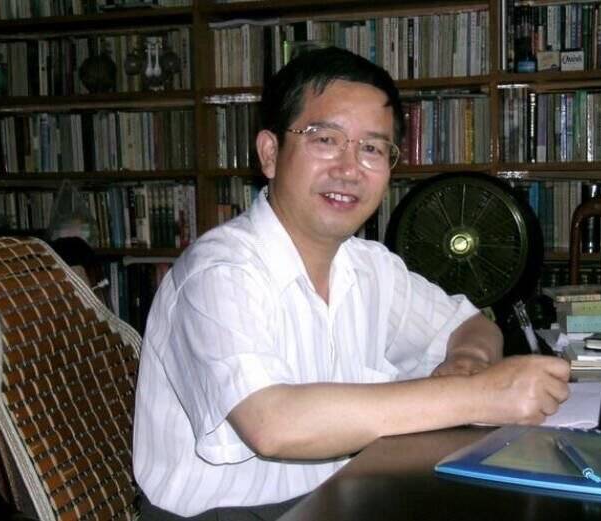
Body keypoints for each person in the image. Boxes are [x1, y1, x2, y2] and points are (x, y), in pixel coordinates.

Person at [133, 47, 570, 520]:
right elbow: (273, 424)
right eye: (325, 139)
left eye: (372, 149)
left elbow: (470, 325)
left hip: (340, 494)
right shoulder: (219, 272)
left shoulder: (368, 266)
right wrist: (483, 394)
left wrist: (467, 363)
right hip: (228, 513)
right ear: (270, 153)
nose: (349, 168)